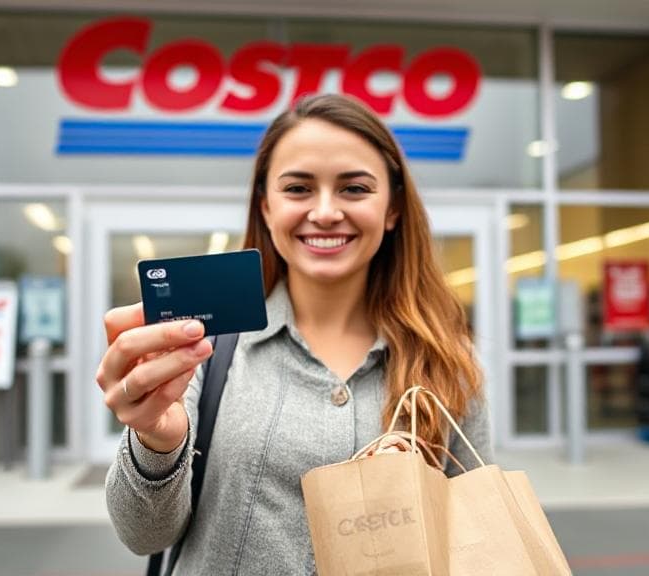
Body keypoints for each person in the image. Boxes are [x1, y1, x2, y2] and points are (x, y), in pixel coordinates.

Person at [96, 94, 494, 575]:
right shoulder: (202, 346)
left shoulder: (446, 360)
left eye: (354, 189)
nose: (325, 212)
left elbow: (474, 545)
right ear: (265, 207)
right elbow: (144, 536)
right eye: (299, 189)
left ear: (392, 210)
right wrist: (157, 441)